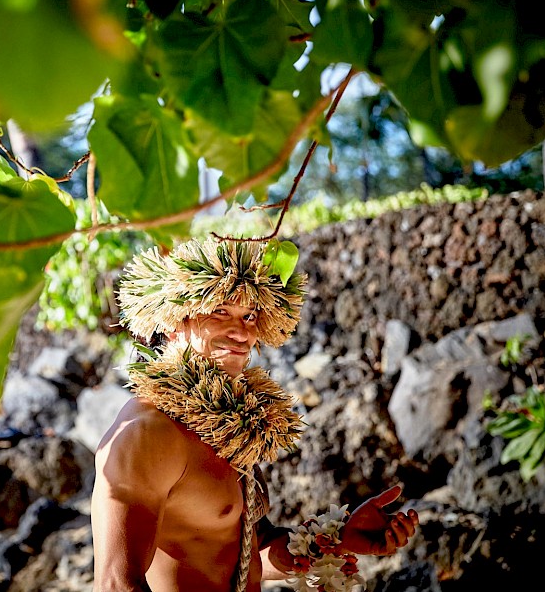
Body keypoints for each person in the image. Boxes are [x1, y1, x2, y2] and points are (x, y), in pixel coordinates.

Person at [91, 237, 419, 592]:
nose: (242, 332)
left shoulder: (227, 424)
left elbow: (245, 551)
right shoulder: (149, 433)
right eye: (221, 311)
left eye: (249, 316)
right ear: (174, 321)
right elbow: (115, 584)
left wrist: (335, 539)